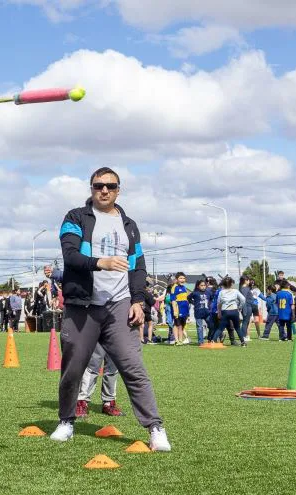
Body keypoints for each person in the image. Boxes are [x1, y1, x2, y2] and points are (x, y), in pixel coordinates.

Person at [48, 167, 170, 451]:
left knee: (133, 368)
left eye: (110, 186)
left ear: (119, 189)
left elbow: (138, 266)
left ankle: (155, 427)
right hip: (83, 307)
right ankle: (66, 421)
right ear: (91, 188)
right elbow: (71, 255)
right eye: (98, 185)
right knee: (73, 369)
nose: (104, 190)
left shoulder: (129, 224)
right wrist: (100, 263)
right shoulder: (75, 217)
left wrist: (138, 300)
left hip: (119, 305)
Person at [76, 344, 122, 417]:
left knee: (113, 367)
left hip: (116, 334)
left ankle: (109, 403)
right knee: (93, 365)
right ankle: (82, 402)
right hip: (97, 333)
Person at [214, 276, 245, 346]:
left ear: (223, 284)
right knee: (237, 328)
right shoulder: (235, 291)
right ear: (231, 284)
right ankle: (243, 342)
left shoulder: (221, 292)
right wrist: (239, 308)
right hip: (234, 310)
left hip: (225, 311)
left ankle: (213, 341)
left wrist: (219, 312)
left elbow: (219, 303)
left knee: (220, 328)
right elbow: (243, 299)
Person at [187, 279, 212, 345]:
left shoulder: (208, 292)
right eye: (201, 285)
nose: (203, 286)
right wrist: (194, 303)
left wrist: (210, 306)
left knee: (212, 326)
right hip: (198, 313)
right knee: (199, 328)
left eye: (204, 285)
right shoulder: (195, 293)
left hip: (207, 313)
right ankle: (200, 342)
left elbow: (212, 299)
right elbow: (188, 298)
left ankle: (210, 339)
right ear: (198, 286)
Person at [171, 272, 190, 344]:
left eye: (184, 278)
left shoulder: (184, 288)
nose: (182, 280)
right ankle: (176, 340)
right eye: (181, 278)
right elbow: (173, 300)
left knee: (182, 325)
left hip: (185, 310)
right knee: (177, 325)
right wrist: (175, 311)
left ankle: (181, 340)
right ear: (177, 279)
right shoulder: (174, 287)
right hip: (178, 310)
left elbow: (186, 300)